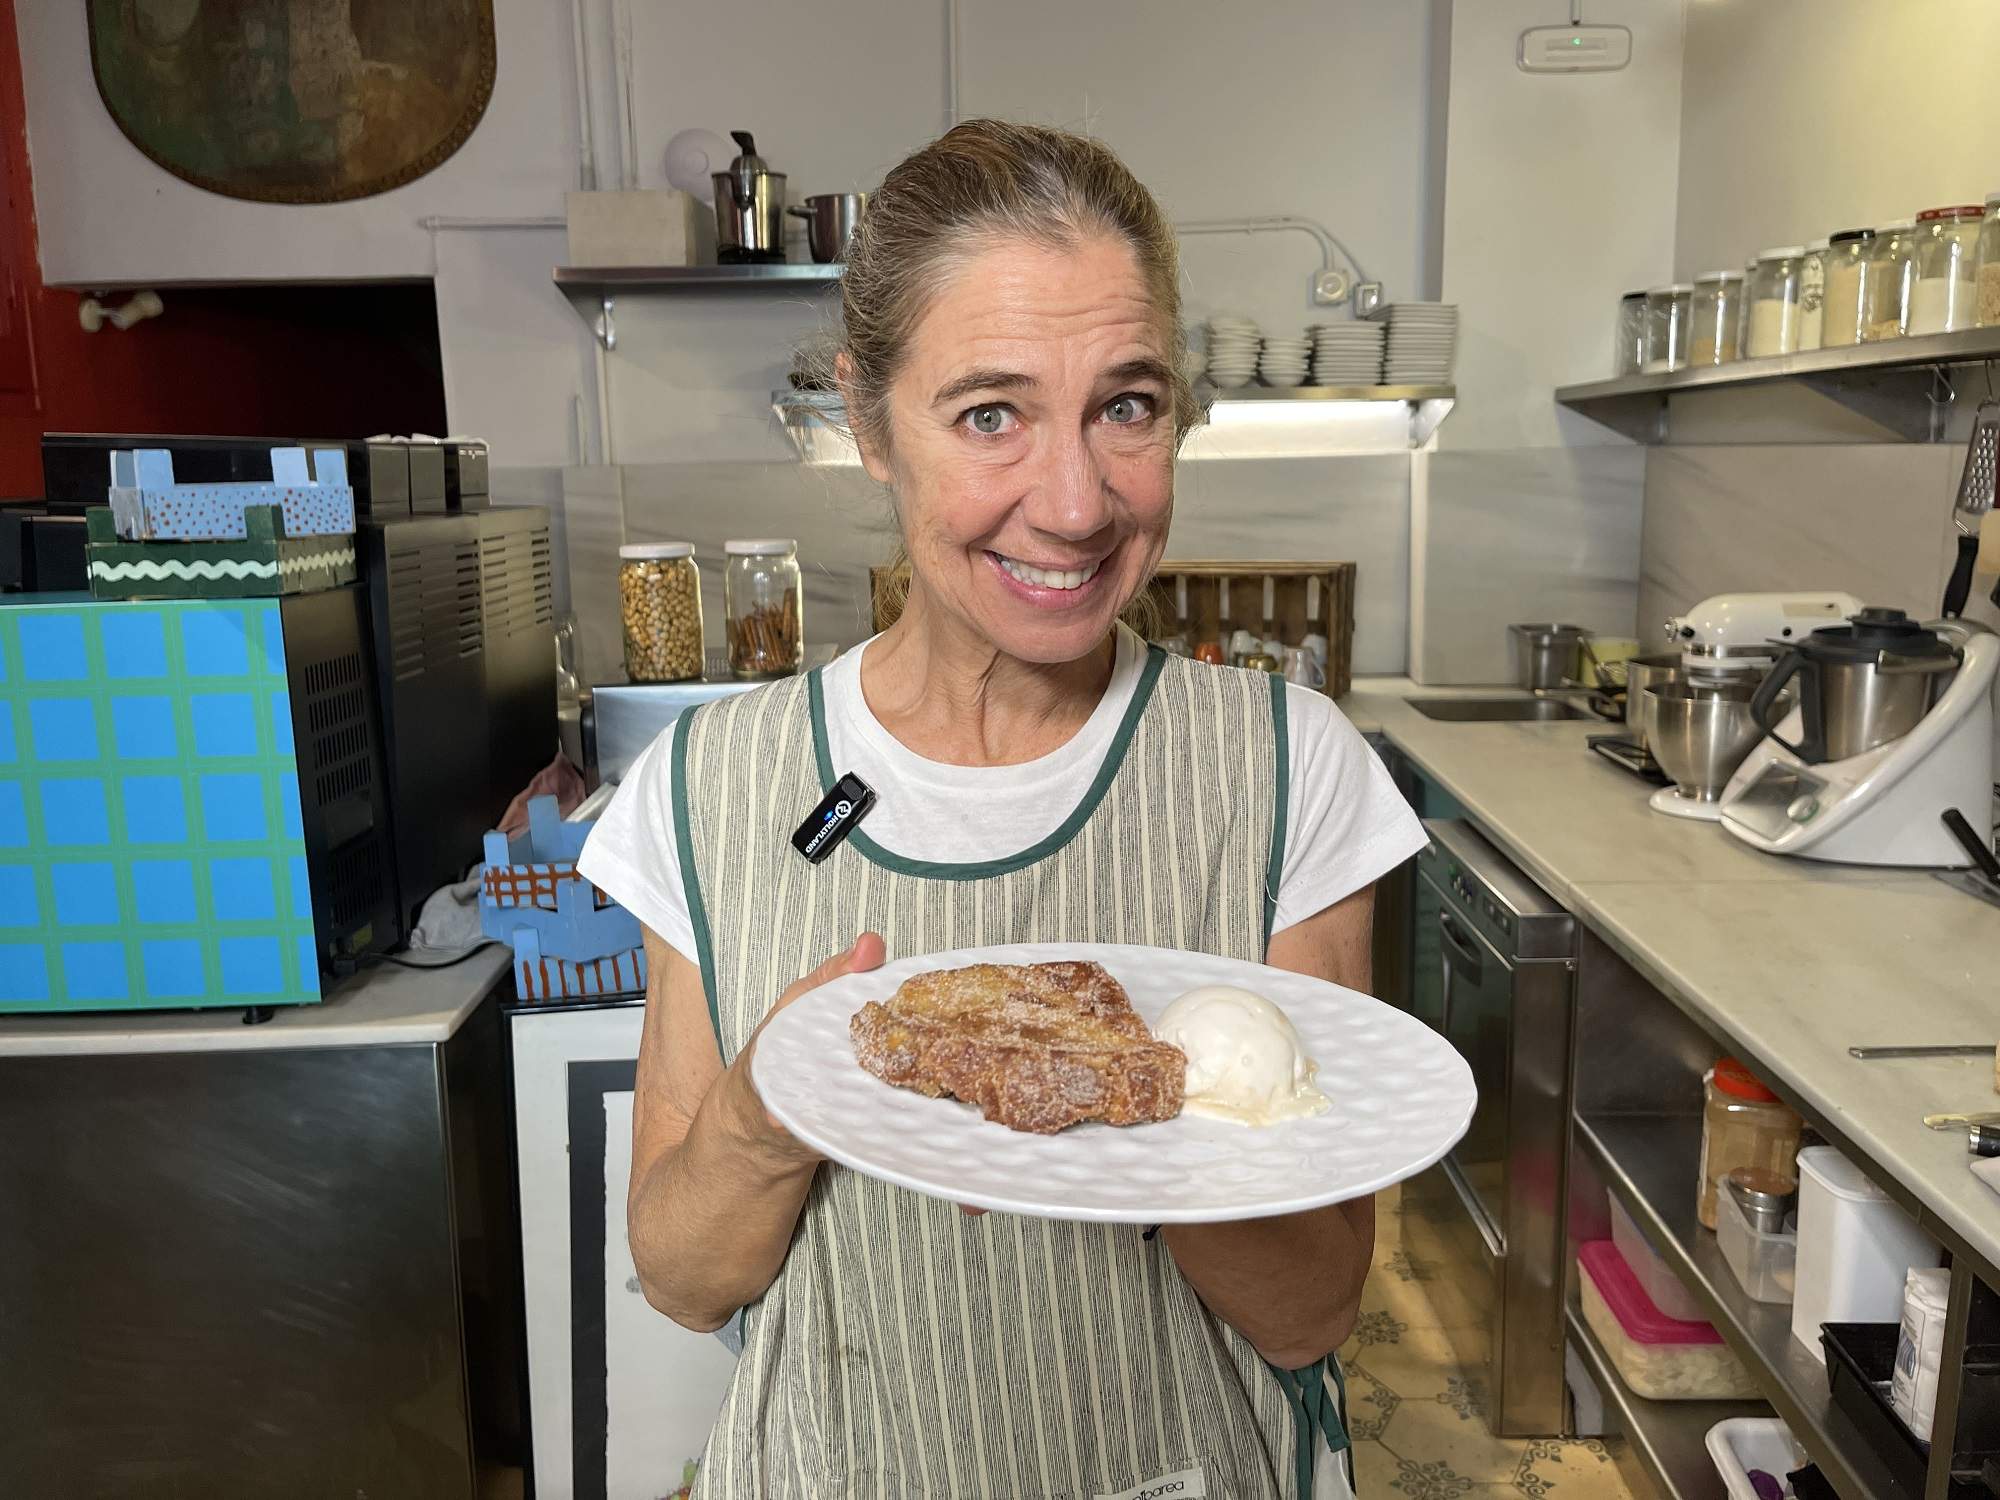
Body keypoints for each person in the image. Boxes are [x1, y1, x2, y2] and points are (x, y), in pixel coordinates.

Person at [579, 118, 1426, 1500]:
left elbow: (1311, 1309)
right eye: (991, 414)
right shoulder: (710, 785)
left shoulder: (1287, 770)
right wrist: (774, 1106)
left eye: (1129, 406)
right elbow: (681, 1276)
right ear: (869, 425)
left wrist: (1130, 1098)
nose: (1079, 503)